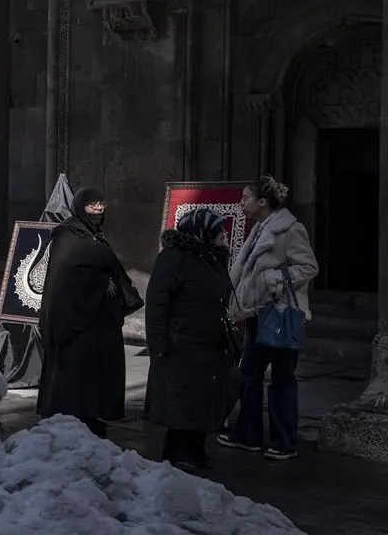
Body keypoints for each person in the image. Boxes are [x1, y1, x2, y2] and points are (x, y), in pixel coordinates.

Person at [220, 175, 318, 461]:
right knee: (249, 375)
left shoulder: (290, 229)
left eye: (244, 197)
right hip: (257, 312)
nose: (240, 202)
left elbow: (309, 266)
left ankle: (284, 442)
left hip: (281, 313)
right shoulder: (260, 228)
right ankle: (248, 435)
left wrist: (271, 280)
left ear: (262, 202)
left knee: (282, 379)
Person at [144, 209, 235, 471]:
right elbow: (157, 303)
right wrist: (158, 343)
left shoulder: (211, 258)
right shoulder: (173, 259)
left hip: (210, 344)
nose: (223, 235)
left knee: (205, 399)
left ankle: (196, 449)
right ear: (202, 231)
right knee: (183, 400)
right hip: (182, 344)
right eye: (219, 230)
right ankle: (177, 452)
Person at [36, 187, 127, 438]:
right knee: (76, 372)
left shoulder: (92, 234)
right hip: (76, 321)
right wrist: (99, 283)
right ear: (80, 207)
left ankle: (90, 413)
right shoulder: (68, 237)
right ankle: (74, 416)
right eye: (92, 205)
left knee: (93, 371)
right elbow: (66, 279)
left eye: (101, 204)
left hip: (95, 320)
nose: (98, 209)